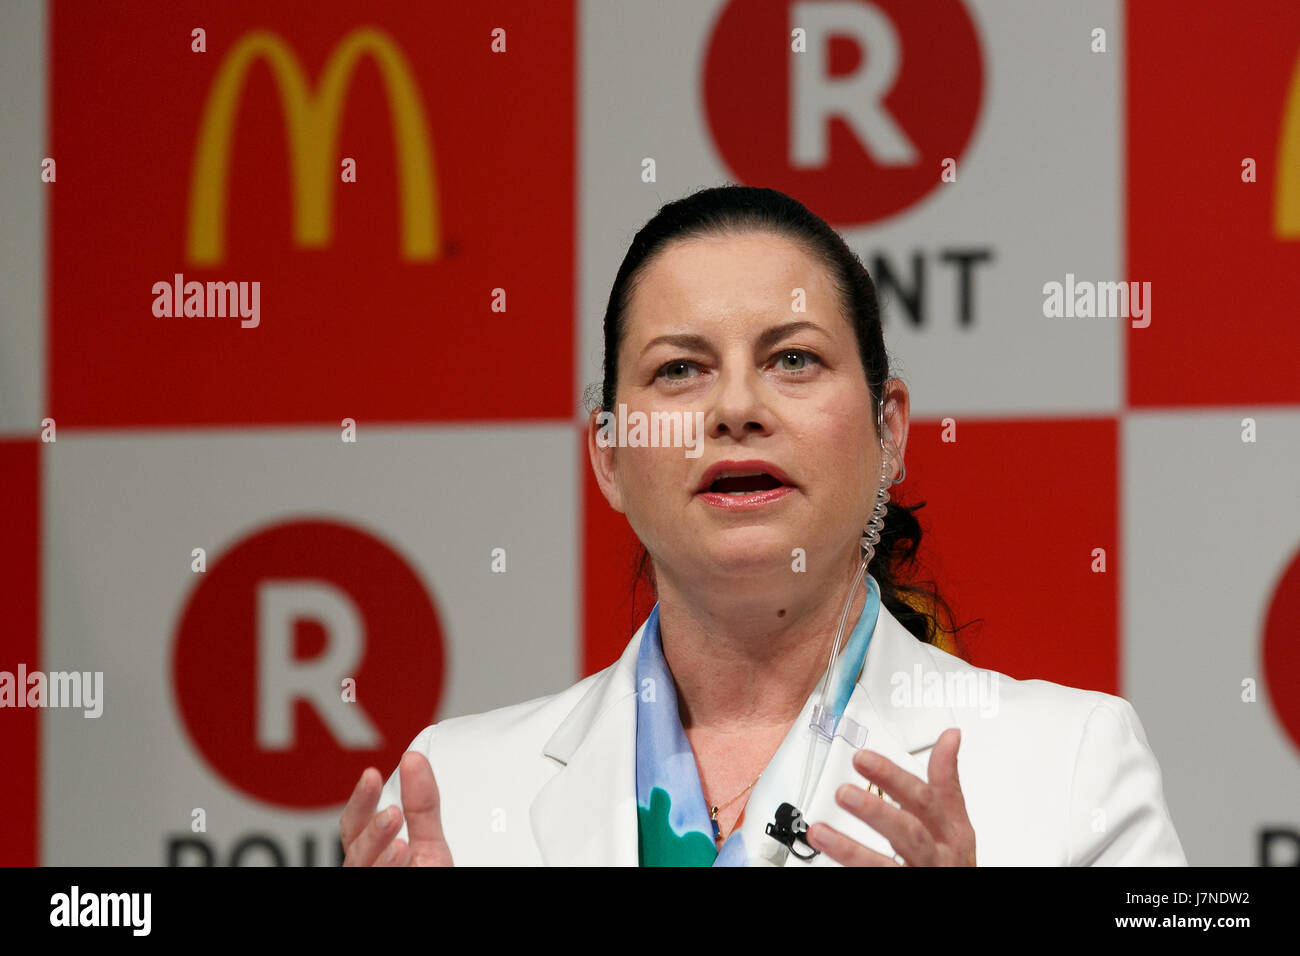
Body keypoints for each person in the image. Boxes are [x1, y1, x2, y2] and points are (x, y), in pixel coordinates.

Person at [339, 185, 1187, 867]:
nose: (737, 407)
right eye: (679, 369)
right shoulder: (445, 791)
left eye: (793, 359)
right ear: (610, 458)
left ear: (889, 430)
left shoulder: (1074, 765)